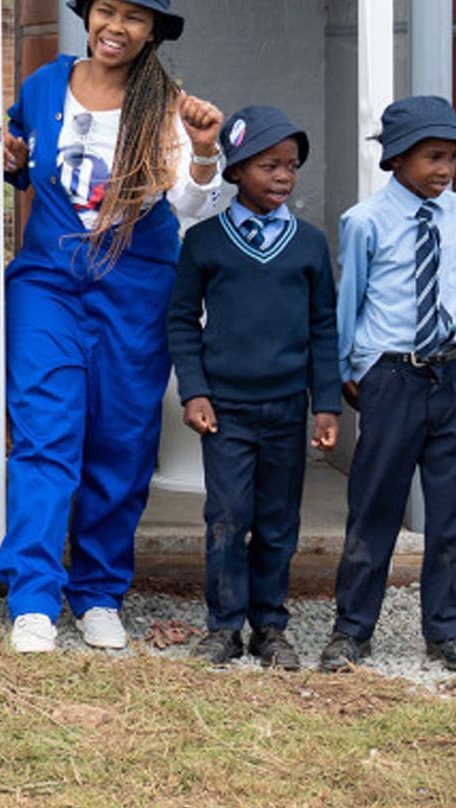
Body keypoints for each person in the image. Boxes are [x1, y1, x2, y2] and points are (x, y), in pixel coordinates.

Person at [0, 0, 228, 654]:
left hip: (136, 283)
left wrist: (207, 151)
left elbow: (189, 202)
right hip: (49, 281)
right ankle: (33, 598)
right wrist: (8, 160)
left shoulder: (168, 103)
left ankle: (98, 592)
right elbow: (16, 154)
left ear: (153, 31)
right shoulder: (43, 86)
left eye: (134, 17)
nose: (115, 27)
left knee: (121, 441)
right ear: (87, 13)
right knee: (45, 431)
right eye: (106, 10)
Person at [165, 106, 339, 670]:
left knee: (277, 522)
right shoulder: (205, 243)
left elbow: (323, 328)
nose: (284, 176)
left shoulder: (309, 245)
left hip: (287, 408)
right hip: (227, 411)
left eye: (291, 166)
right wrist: (194, 391)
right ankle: (223, 626)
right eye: (270, 165)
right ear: (236, 170)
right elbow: (181, 319)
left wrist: (327, 404)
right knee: (227, 516)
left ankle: (270, 626)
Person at [320, 96, 456, 674]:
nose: (444, 170)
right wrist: (349, 369)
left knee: (450, 508)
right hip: (392, 373)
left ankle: (446, 628)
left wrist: (454, 362)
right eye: (432, 157)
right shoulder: (365, 221)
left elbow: (452, 282)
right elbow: (351, 300)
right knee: (375, 505)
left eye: (452, 158)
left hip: (449, 370)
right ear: (397, 159)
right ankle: (352, 629)